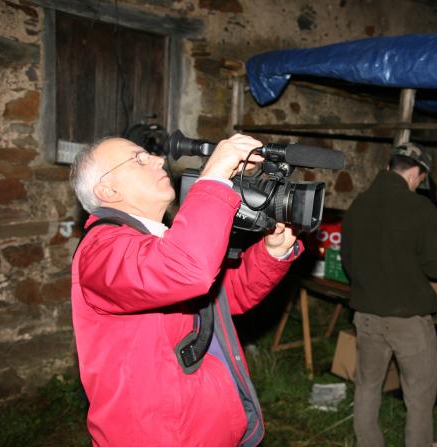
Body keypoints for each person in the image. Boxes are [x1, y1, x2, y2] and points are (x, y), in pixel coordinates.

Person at [69, 134, 301, 446]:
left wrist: (272, 253)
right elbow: (187, 270)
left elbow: (224, 297)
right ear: (108, 190)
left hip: (205, 426)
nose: (157, 160)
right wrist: (215, 177)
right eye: (138, 159)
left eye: (150, 154)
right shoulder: (101, 251)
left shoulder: (157, 242)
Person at [341, 143, 437, 447]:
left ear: (389, 167)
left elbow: (348, 261)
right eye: (421, 179)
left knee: (367, 386)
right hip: (409, 320)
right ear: (416, 173)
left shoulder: (359, 204)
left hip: (366, 314)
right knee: (419, 397)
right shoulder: (420, 208)